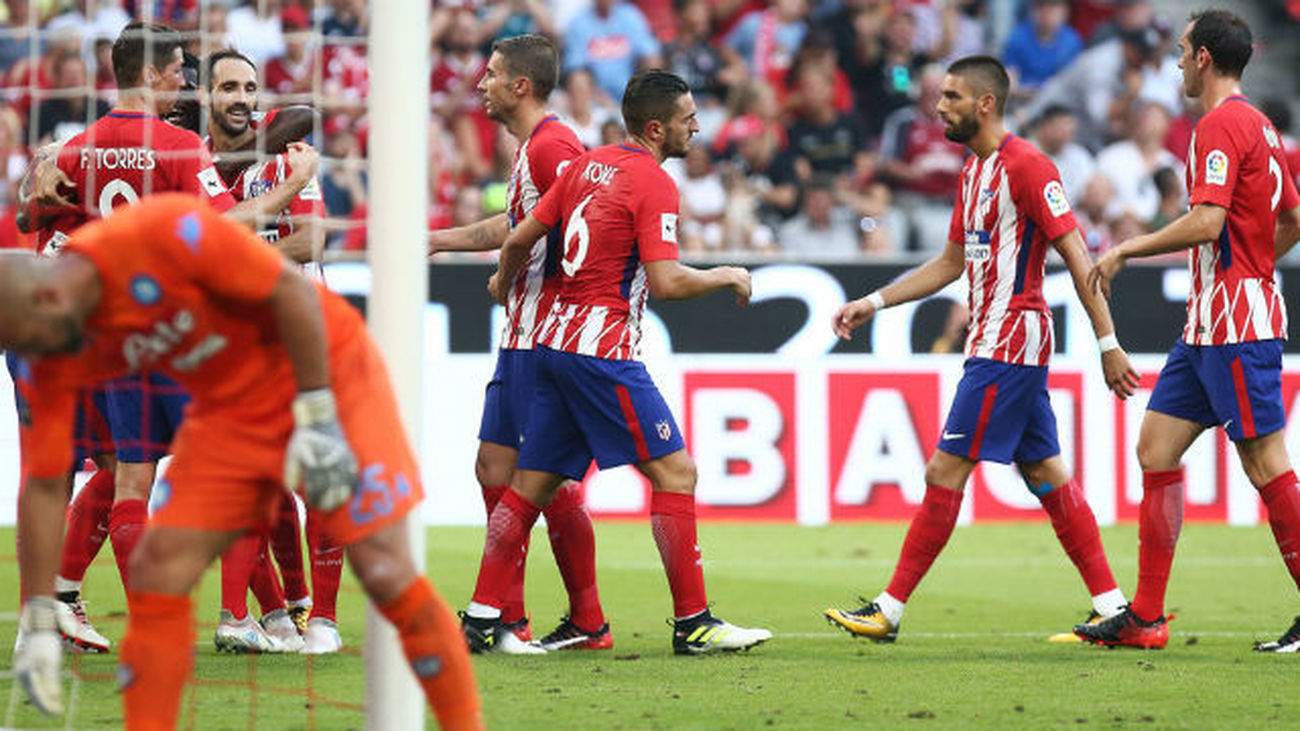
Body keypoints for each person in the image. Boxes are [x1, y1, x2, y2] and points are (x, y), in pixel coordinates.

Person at [5, 194, 483, 730]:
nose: (32, 358)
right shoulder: (45, 353)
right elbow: (44, 485)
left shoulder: (159, 233)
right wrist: (40, 614)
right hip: (228, 411)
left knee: (383, 566)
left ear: (47, 299)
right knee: (160, 566)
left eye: (24, 340)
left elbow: (292, 294)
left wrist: (320, 419)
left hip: (328, 373)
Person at [824, 56, 1140, 643]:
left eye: (950, 96)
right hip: (992, 339)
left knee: (946, 468)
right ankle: (1113, 607)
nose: (939, 106)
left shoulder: (1029, 166)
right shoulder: (974, 173)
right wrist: (874, 301)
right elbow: (949, 264)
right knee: (1045, 471)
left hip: (1011, 340)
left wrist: (1108, 343)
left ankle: (888, 610)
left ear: (985, 103)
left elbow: (1076, 257)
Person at [462, 70, 772, 655]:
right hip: (603, 354)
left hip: (550, 346)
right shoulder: (653, 182)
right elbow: (667, 281)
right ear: (657, 128)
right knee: (676, 474)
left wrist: (504, 282)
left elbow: (518, 236)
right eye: (687, 119)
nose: (697, 127)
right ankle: (694, 622)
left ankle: (481, 616)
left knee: (527, 490)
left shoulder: (585, 163)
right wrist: (726, 274)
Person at [34, 22, 317, 633]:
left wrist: (37, 168)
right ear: (150, 74)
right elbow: (227, 224)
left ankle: (80, 605)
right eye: (179, 71)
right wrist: (293, 184)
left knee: (127, 475)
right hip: (169, 331)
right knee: (238, 460)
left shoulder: (81, 146)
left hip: (104, 333)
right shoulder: (178, 146)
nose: (183, 82)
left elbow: (37, 212)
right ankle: (249, 616)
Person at [1080, 10, 1300, 651]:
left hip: (1236, 327)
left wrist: (1127, 248)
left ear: (1203, 58)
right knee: (1156, 449)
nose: (1176, 62)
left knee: (1266, 464)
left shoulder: (1218, 126)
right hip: (1206, 328)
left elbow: (1206, 223)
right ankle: (1147, 618)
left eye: (1181, 51)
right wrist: (1258, 259)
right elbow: (1291, 216)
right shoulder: (1260, 125)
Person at [428, 34, 612, 653]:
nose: (481, 83)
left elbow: (583, 218)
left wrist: (509, 273)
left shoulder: (556, 145)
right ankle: (516, 618)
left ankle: (556, 620)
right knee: (495, 469)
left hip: (547, 336)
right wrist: (439, 240)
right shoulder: (531, 149)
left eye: (491, 74)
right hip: (522, 335)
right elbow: (516, 224)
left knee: (547, 481)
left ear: (520, 86)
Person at [204, 47, 336, 655]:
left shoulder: (286, 157)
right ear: (205, 96)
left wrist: (237, 262)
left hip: (300, 333)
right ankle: (269, 614)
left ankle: (311, 618)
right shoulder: (194, 166)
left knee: (313, 479)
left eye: (249, 87)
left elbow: (309, 240)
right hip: (237, 340)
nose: (240, 96)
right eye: (227, 86)